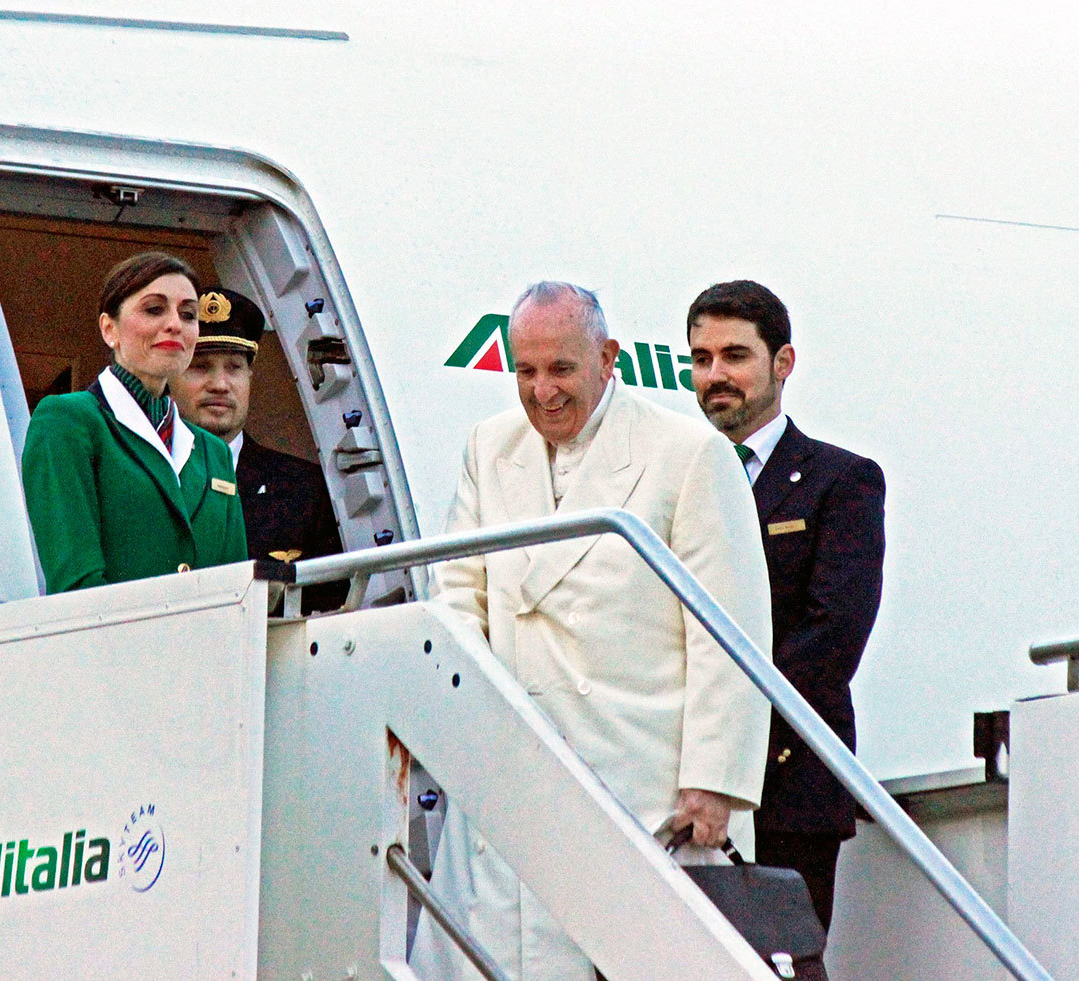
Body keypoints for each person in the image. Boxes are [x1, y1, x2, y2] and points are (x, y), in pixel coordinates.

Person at [411, 282, 774, 981]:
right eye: (526, 371)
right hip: (521, 768)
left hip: (648, 783)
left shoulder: (687, 452)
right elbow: (458, 591)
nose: (542, 391)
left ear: (608, 358)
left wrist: (713, 780)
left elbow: (728, 632)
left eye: (561, 370)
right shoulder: (490, 447)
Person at [687, 279, 885, 931]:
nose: (716, 375)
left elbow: (831, 640)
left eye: (735, 356)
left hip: (789, 785)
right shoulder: (673, 480)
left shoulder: (841, 481)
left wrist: (724, 741)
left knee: (781, 962)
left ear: (783, 362)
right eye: (702, 358)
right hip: (681, 786)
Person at [21, 252, 247, 593]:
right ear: (109, 328)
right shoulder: (69, 420)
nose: (175, 324)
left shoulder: (213, 452)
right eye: (154, 309)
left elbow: (237, 587)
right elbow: (76, 582)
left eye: (188, 314)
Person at [172, 286, 347, 611]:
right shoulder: (143, 476)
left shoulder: (304, 489)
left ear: (250, 375)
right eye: (200, 366)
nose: (220, 384)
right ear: (169, 377)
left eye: (234, 367)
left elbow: (332, 606)